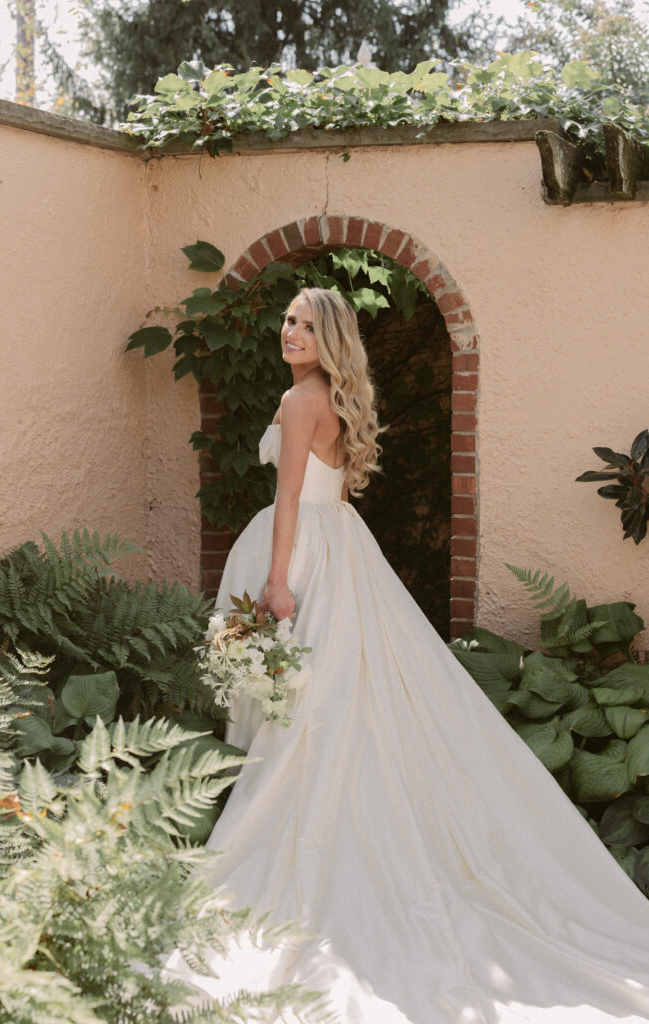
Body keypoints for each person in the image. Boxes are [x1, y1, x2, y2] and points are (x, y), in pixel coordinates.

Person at [167, 288, 649, 1023]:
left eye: (304, 324)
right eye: (287, 321)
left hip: (302, 560)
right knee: (333, 695)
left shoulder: (302, 401)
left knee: (304, 702)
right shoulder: (322, 394)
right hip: (341, 551)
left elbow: (291, 496)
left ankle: (296, 835)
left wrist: (274, 579)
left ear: (328, 336)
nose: (289, 332)